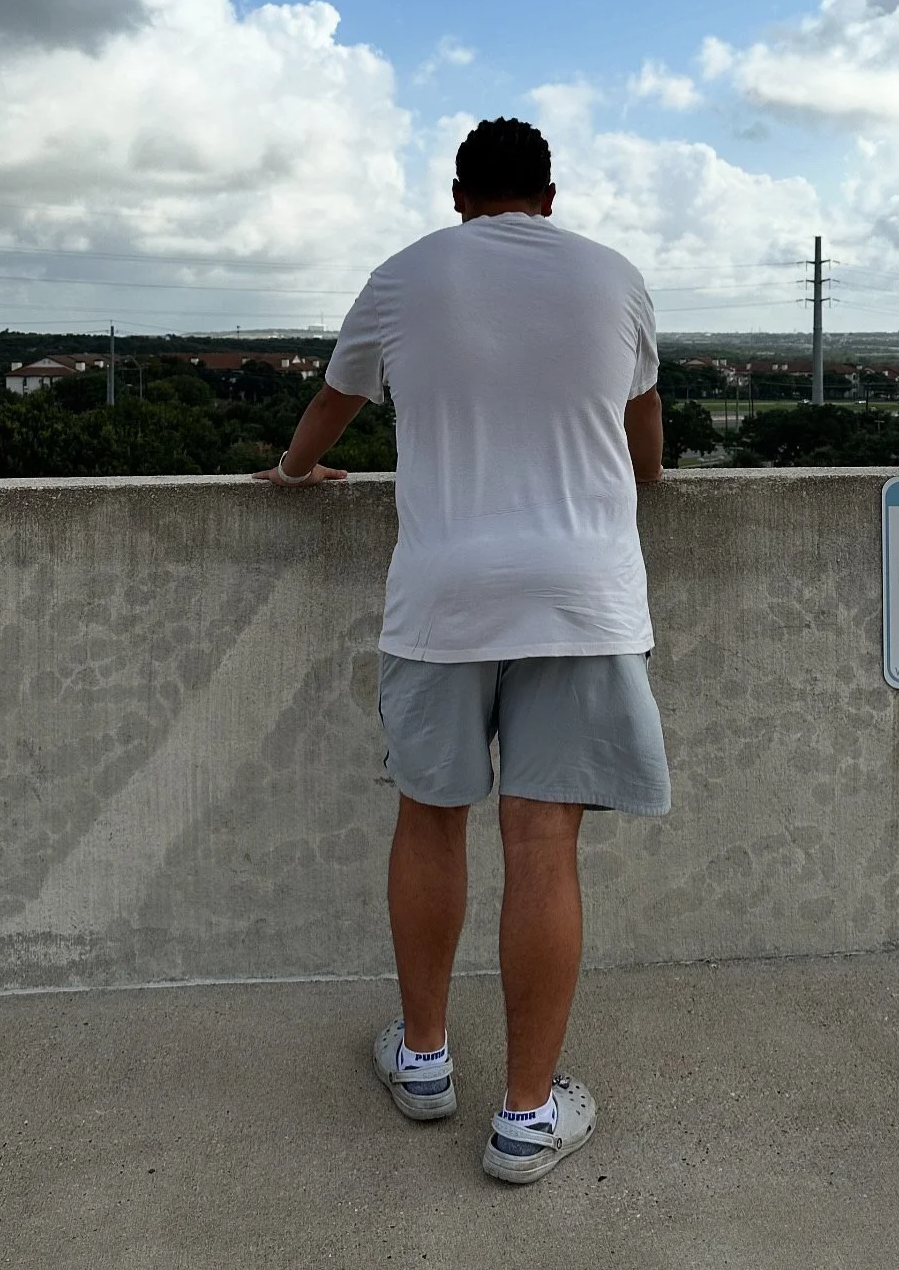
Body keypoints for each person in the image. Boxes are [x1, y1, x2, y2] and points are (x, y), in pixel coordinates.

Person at [255, 116, 669, 1184]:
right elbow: (647, 448)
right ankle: (527, 1117)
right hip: (581, 596)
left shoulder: (404, 276)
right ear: (549, 193)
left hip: (444, 597)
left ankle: (427, 1062)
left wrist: (297, 472)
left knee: (433, 817)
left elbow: (332, 404)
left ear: (457, 194)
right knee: (542, 844)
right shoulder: (614, 278)